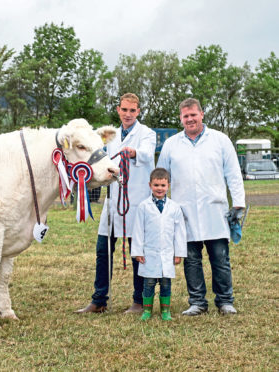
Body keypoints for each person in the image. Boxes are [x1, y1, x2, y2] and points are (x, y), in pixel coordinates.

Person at [157, 98, 245, 316]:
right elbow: (161, 176)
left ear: (202, 114)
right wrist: (161, 205)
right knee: (191, 260)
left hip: (214, 209)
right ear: (181, 118)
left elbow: (233, 173)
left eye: (193, 115)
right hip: (184, 212)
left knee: (220, 258)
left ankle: (225, 301)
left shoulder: (220, 140)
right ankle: (197, 302)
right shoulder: (171, 144)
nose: (190, 119)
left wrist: (239, 202)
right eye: (185, 116)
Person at [75, 93, 156, 314]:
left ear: (138, 112)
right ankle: (99, 299)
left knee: (137, 251)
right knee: (103, 251)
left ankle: (139, 301)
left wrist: (134, 152)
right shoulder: (110, 136)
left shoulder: (146, 133)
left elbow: (147, 155)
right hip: (113, 202)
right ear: (118, 110)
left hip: (137, 202)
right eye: (124, 110)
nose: (128, 114)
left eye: (132, 110)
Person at [131, 168, 187, 321]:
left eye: (163, 185)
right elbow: (138, 230)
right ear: (150, 185)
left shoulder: (174, 207)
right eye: (156, 185)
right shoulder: (144, 206)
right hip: (149, 253)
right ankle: (147, 311)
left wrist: (179, 253)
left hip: (167, 253)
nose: (159, 189)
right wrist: (138, 251)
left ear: (168, 185)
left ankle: (165, 311)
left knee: (165, 283)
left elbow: (179, 232)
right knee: (148, 283)